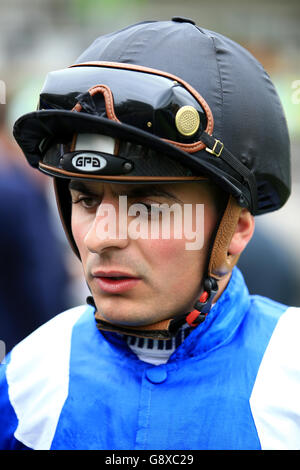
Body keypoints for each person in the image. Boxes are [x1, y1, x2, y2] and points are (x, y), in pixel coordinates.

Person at [0, 18, 299, 451]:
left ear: (236, 230)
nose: (101, 237)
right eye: (85, 200)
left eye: (149, 208)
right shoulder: (25, 376)